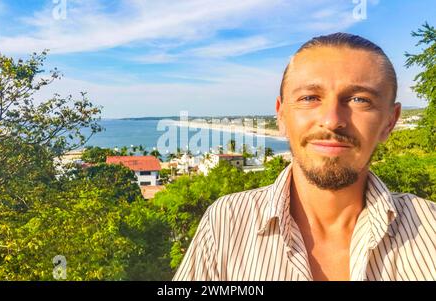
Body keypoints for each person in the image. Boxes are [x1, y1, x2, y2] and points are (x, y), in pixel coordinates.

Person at [172, 33, 436, 281]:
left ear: (390, 121)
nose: (331, 121)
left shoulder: (430, 229)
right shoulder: (226, 223)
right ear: (282, 115)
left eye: (359, 99)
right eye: (310, 97)